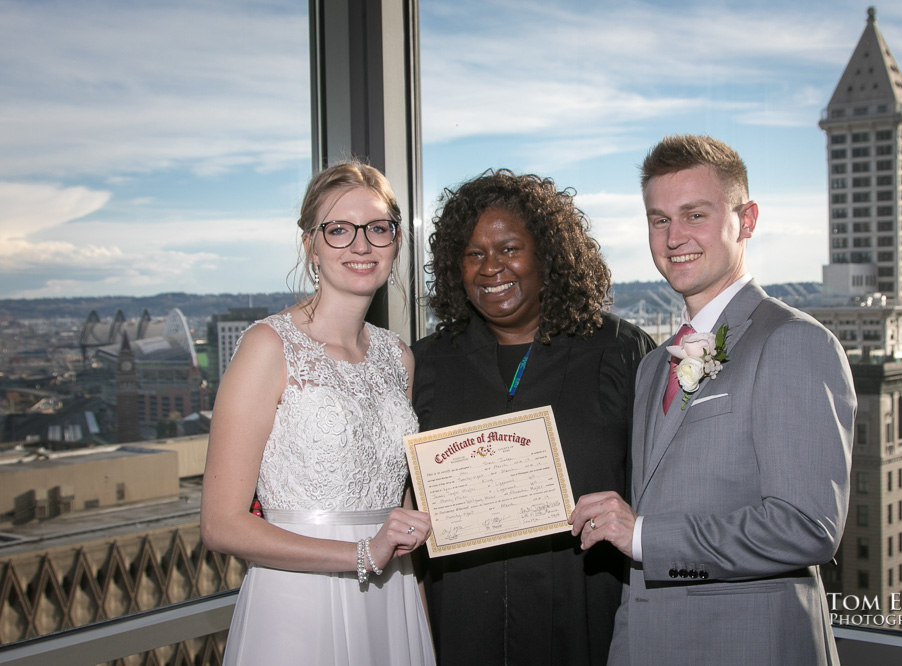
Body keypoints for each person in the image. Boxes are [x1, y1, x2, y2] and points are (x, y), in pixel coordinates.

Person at [570, 135, 856, 665]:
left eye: (694, 214)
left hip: (750, 647)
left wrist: (646, 538)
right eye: (659, 220)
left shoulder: (794, 341)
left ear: (745, 220)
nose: (674, 237)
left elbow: (807, 528)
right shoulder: (656, 364)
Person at [412, 169, 655, 666]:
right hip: (461, 619)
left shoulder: (618, 352)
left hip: (586, 615)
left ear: (548, 255)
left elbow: (657, 488)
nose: (490, 267)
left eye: (509, 249)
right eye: (473, 254)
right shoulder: (428, 365)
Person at [200, 160, 435, 665]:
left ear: (396, 241)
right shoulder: (269, 346)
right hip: (298, 605)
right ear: (310, 245)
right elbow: (221, 524)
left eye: (378, 229)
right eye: (338, 230)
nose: (361, 245)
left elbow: (404, 511)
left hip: (392, 595)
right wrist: (358, 555)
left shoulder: (399, 358)